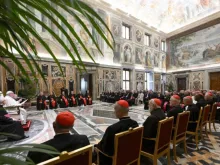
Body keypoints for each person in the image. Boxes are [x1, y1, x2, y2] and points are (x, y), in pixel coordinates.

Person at [94, 100, 138, 165]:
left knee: (94, 150)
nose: (114, 112)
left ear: (119, 112)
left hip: (114, 160)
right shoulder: (135, 124)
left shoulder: (112, 129)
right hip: (130, 154)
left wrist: (96, 146)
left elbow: (106, 149)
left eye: (115, 110)